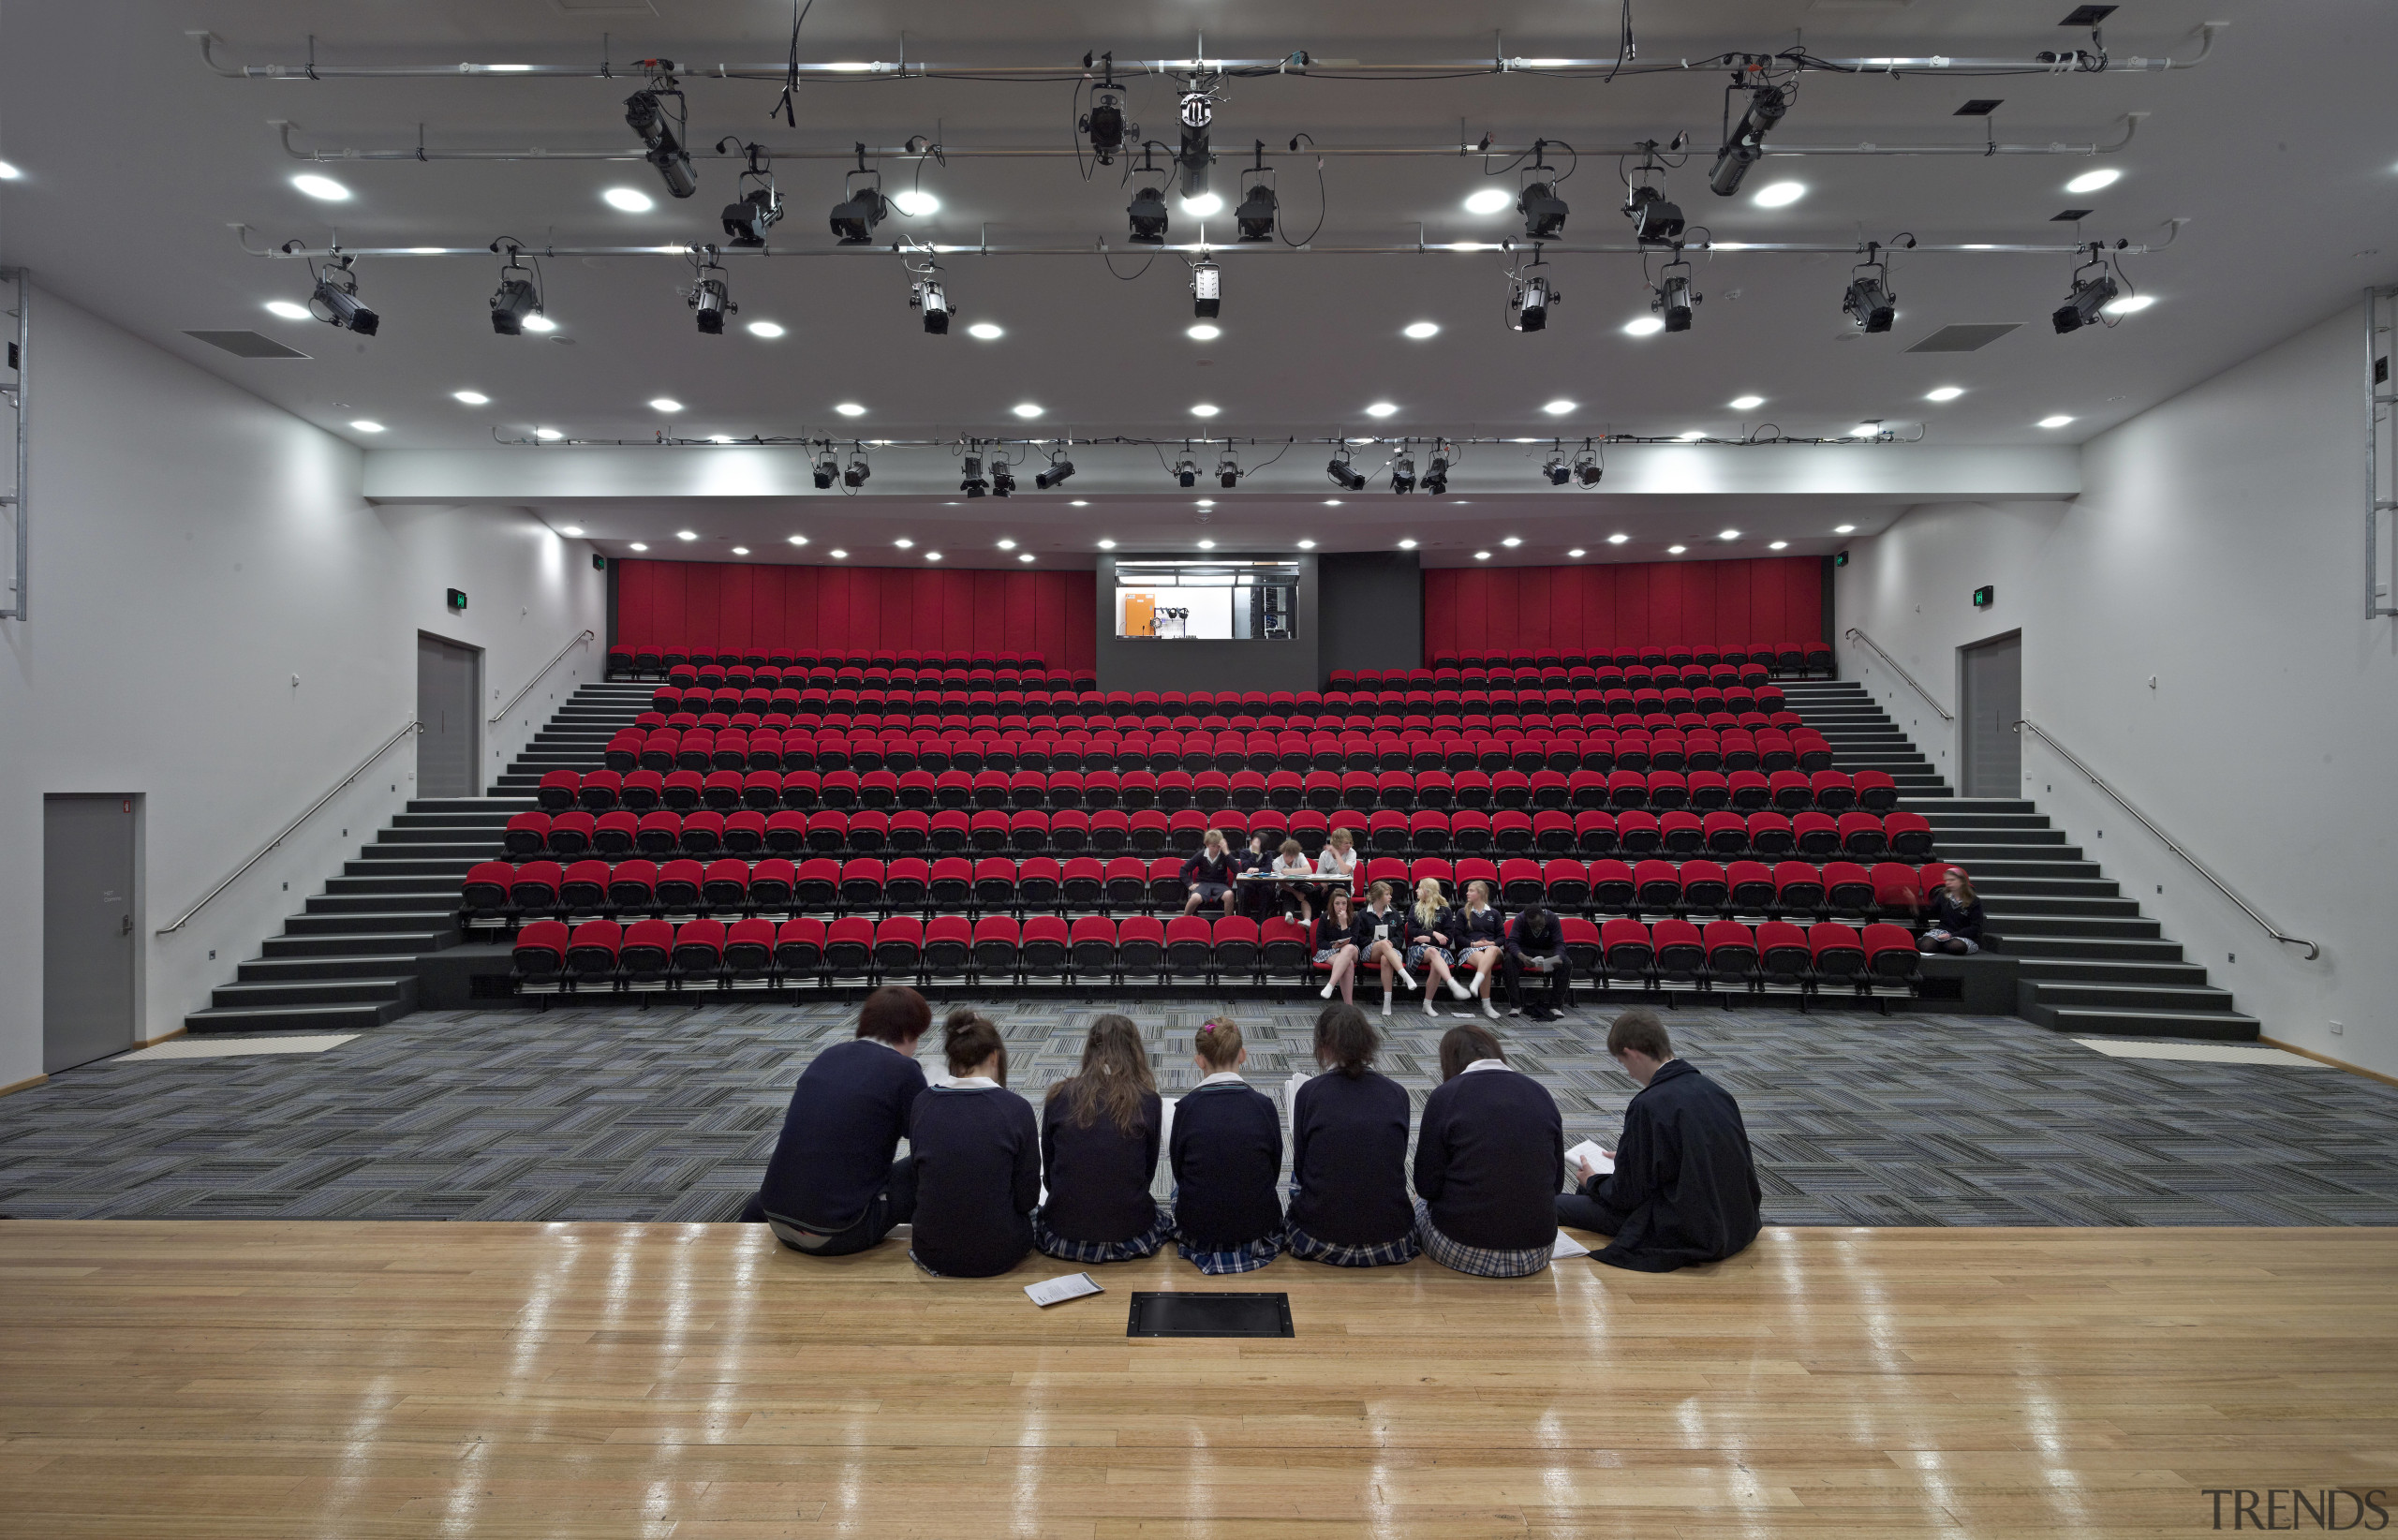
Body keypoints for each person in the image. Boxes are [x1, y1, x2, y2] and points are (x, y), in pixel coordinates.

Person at [1555, 1010, 1762, 1273]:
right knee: (1591, 1193)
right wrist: (1628, 1157)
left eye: (1623, 1063)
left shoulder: (1648, 1104)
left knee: (1556, 1203)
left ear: (1632, 1053)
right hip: (1737, 1222)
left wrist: (1593, 1180)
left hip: (1686, 1226)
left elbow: (1626, 1195)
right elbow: (1695, 1152)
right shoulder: (1715, 1091)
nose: (1629, 1074)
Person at [742, 985, 930, 1254]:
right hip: (842, 1231)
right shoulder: (904, 1070)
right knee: (929, 1160)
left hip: (775, 1218)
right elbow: (928, 1139)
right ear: (909, 1032)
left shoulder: (828, 1056)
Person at [1412, 1023, 1565, 1278]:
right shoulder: (1540, 1092)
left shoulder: (1445, 1096)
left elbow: (1427, 1185)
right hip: (1538, 1251)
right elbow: (1557, 1185)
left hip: (1462, 1246)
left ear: (1449, 1061)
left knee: (1417, 1204)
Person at [905, 1009, 1041, 1278]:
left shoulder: (922, 1103)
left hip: (931, 1251)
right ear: (994, 1057)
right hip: (1000, 1254)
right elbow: (1027, 1199)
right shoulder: (1017, 1109)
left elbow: (922, 1181)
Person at [1283, 1003, 1419, 1266]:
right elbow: (1396, 1159)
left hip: (1318, 1240)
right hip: (1392, 1241)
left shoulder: (1310, 1093)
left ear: (1323, 1045)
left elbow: (1301, 1169)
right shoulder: (1397, 1093)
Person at [1034, 1014, 1172, 1263]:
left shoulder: (1058, 1096)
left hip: (1063, 1235)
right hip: (1129, 1235)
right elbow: (1147, 1174)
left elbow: (1050, 1172)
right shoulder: (1149, 1100)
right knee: (1163, 1216)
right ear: (1134, 1051)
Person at [1168, 1018, 1284, 1274]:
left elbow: (1179, 1169)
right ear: (1242, 1055)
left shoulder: (1186, 1108)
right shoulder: (1264, 1106)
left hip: (1200, 1232)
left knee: (1177, 1191)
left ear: (1200, 1060)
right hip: (1257, 1230)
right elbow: (1274, 1169)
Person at [1407, 876, 1476, 1016]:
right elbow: (1412, 931)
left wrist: (1428, 938)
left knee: (1435, 959)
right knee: (1433, 952)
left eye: (1420, 888)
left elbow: (1448, 939)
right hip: (1416, 950)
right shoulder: (1414, 907)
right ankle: (1452, 983)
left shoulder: (1445, 910)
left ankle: (1427, 1004)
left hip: (1439, 951)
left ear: (1428, 891)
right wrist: (1434, 933)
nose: (1416, 890)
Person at [1353, 879, 1418, 1016]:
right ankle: (1405, 976)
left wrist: (1392, 943)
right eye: (1387, 894)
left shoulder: (1394, 913)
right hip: (1369, 951)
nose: (1390, 897)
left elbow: (1400, 937)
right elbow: (1358, 937)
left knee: (1385, 959)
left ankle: (1387, 1003)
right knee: (1382, 943)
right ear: (1378, 896)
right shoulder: (1363, 914)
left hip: (1391, 951)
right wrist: (1371, 941)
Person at [1504, 900, 1572, 1021]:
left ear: (1543, 916)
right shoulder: (1520, 919)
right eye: (1533, 926)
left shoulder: (1552, 918)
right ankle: (1516, 1006)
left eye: (1540, 924)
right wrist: (1522, 957)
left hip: (1546, 952)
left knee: (1566, 963)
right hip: (1526, 952)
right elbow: (1512, 942)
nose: (1538, 928)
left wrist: (1558, 957)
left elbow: (1560, 943)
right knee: (1509, 959)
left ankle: (1555, 1006)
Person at [1452, 880, 1507, 1022]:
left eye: (1471, 890)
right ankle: (1486, 1004)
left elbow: (1502, 937)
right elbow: (1457, 937)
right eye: (1468, 890)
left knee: (1492, 950)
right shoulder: (1462, 912)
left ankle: (1477, 982)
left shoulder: (1494, 913)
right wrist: (1473, 944)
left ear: (1481, 893)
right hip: (1471, 949)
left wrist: (1492, 942)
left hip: (1492, 949)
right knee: (1485, 962)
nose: (1467, 893)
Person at [1918, 866, 1987, 955]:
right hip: (1943, 931)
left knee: (1955, 946)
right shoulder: (1943, 896)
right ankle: (1942, 944)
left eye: (1952, 880)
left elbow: (1975, 927)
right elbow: (1931, 913)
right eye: (1947, 880)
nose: (1948, 883)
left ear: (1962, 881)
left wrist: (1951, 936)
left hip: (1963, 935)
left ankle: (1943, 945)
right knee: (1925, 946)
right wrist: (1916, 905)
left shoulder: (1973, 900)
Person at [1181, 826, 1238, 917]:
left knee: (1229, 895)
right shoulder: (1201, 855)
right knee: (1195, 898)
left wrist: (1227, 852)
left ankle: (1228, 921)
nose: (1216, 849)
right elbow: (1184, 870)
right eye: (1213, 846)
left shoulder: (1224, 855)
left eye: (1218, 846)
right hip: (1203, 883)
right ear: (1207, 844)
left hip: (1220, 884)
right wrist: (1189, 884)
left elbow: (1237, 870)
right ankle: (1184, 919)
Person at [1270, 837, 1318, 925]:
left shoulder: (1300, 856)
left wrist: (1289, 871)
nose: (1288, 857)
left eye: (1291, 855)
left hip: (1302, 884)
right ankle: (1289, 915)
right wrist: (1296, 893)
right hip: (1286, 887)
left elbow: (1308, 870)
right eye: (1286, 854)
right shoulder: (1277, 862)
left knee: (1306, 892)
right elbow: (1282, 884)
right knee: (1287, 893)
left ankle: (1307, 920)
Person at [1316, 824, 1360, 896]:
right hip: (1328, 886)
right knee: (1310, 896)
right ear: (1337, 843)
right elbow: (1320, 875)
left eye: (1350, 843)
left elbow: (1345, 871)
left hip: (1345, 887)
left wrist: (1336, 854)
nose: (1349, 845)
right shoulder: (1324, 854)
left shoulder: (1352, 853)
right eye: (1346, 843)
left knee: (1332, 896)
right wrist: (1324, 885)